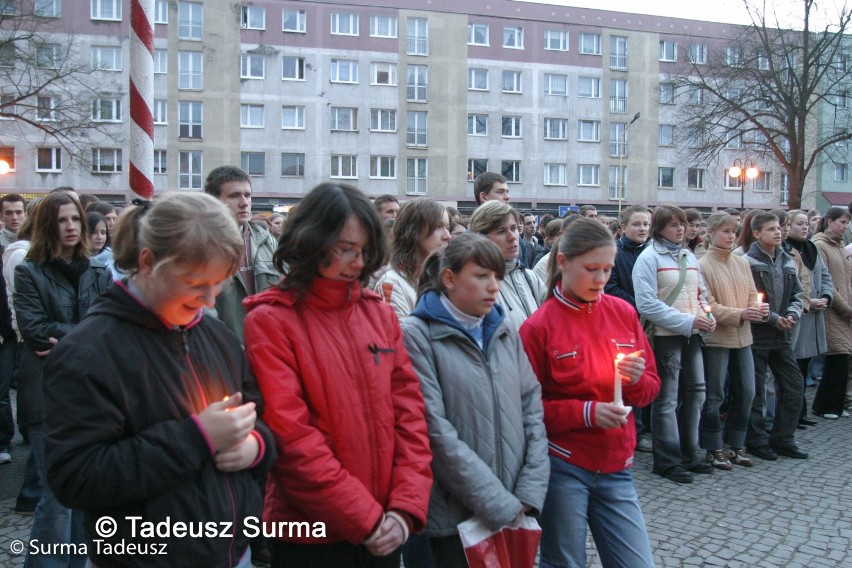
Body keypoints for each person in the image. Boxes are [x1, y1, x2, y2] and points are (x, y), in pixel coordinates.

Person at [43, 192, 273, 568]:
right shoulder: (88, 352)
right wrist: (196, 438)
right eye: (196, 282)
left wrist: (256, 449)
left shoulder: (218, 338)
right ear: (148, 262)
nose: (210, 301)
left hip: (233, 555)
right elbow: (76, 477)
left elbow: (260, 421)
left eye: (219, 284)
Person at [243, 182, 432, 568]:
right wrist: (364, 520)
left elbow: (410, 416)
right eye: (346, 249)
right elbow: (292, 439)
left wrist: (404, 508)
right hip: (310, 535)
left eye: (364, 251)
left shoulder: (377, 313)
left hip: (385, 523)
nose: (359, 263)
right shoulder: (271, 321)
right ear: (312, 243)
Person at [403, 233, 549, 566]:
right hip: (456, 514)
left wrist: (529, 489)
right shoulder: (418, 334)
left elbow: (531, 407)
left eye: (497, 276)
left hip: (515, 500)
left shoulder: (503, 330)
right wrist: (496, 502)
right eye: (482, 276)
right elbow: (434, 429)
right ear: (449, 279)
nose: (494, 286)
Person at [520, 218, 659, 568]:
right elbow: (525, 411)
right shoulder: (538, 327)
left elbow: (649, 391)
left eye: (608, 270)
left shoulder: (623, 312)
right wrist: (586, 413)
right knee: (565, 562)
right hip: (565, 465)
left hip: (618, 466)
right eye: (592, 269)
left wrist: (636, 380)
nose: (601, 280)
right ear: (563, 262)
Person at [14, 191, 112, 567]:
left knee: (84, 495)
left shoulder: (99, 271)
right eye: (61, 220)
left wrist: (73, 338)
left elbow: (110, 327)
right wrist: (89, 335)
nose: (70, 227)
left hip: (90, 393)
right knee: (56, 498)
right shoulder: (29, 271)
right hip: (45, 392)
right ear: (46, 226)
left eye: (74, 219)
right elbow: (35, 330)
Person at [633, 204, 715, 483]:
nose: (680, 229)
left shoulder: (688, 255)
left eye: (682, 224)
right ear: (659, 228)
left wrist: (707, 315)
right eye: (673, 225)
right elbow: (647, 304)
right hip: (666, 336)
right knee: (666, 398)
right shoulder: (648, 258)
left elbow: (701, 293)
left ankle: (689, 454)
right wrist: (688, 321)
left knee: (696, 392)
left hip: (691, 334)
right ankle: (666, 460)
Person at [697, 212, 765, 470]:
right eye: (725, 231)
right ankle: (713, 447)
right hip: (718, 338)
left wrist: (757, 310)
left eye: (734, 232)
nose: (731, 237)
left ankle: (736, 443)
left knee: (747, 391)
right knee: (714, 394)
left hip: (743, 337)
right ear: (711, 234)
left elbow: (751, 294)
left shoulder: (741, 263)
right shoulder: (702, 265)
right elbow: (708, 304)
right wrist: (740, 314)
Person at [742, 212, 807, 460]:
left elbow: (797, 294)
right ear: (757, 234)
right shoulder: (748, 262)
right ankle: (757, 440)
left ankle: (783, 437)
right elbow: (749, 298)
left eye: (779, 228)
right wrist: (772, 318)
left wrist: (790, 314)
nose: (778, 233)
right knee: (757, 391)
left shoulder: (787, 260)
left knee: (793, 385)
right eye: (771, 229)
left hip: (781, 337)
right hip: (758, 336)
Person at [204, 166, 281, 342]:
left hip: (268, 347)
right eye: (234, 196)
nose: (244, 202)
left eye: (247, 195)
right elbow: (201, 311)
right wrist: (227, 349)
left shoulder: (266, 240)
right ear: (214, 201)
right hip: (224, 352)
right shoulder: (201, 244)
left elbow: (287, 290)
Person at [605, 205, 651, 451]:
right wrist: (642, 307)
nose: (642, 228)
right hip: (624, 323)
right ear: (623, 227)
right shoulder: (615, 254)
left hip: (651, 322)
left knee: (645, 376)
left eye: (646, 224)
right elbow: (611, 289)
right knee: (626, 377)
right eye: (637, 224)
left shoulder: (652, 253)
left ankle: (643, 428)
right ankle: (633, 428)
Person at [786, 210, 832, 427]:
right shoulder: (786, 250)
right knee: (793, 368)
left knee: (804, 366)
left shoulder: (811, 248)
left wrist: (825, 296)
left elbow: (824, 275)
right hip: (798, 315)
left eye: (806, 224)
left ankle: (800, 412)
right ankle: (792, 414)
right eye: (799, 224)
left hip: (813, 315)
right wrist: (807, 301)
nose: (805, 227)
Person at [470, 201, 545, 332]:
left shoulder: (530, 277)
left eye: (514, 228)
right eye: (501, 231)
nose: (512, 237)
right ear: (482, 238)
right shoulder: (475, 285)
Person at [373, 199, 450, 321]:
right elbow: (399, 337)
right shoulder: (392, 282)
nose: (447, 236)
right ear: (414, 231)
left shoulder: (444, 278)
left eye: (447, 227)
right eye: (438, 227)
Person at [810, 207, 852, 419]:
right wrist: (846, 309)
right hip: (833, 311)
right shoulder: (820, 245)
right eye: (842, 222)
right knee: (837, 359)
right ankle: (825, 405)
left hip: (845, 312)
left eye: (847, 223)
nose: (845, 226)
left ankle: (836, 404)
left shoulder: (841, 247)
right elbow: (827, 283)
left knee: (843, 360)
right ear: (829, 221)